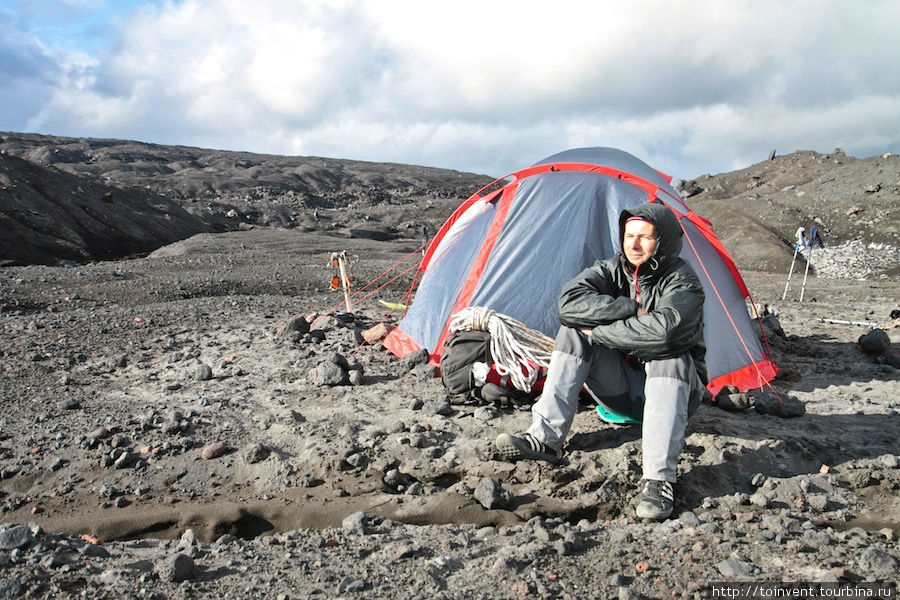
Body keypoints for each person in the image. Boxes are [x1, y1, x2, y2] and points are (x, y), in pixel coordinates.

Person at [495, 202, 707, 521]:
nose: (633, 244)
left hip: (676, 392)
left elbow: (665, 333)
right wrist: (629, 309)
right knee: (572, 332)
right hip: (625, 391)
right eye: (628, 235)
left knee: (670, 352)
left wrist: (600, 333)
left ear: (663, 240)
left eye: (645, 237)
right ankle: (545, 439)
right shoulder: (610, 270)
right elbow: (568, 304)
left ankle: (659, 480)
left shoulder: (683, 281)